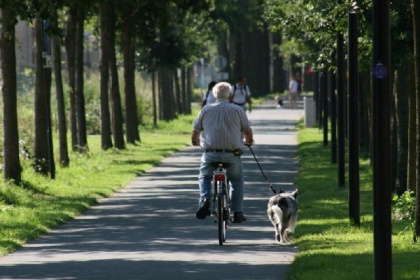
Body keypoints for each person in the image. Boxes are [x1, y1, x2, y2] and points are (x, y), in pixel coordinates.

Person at [191, 81, 254, 223]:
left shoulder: (206, 110)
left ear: (214, 95)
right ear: (230, 95)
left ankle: (205, 199)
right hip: (232, 154)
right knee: (236, 181)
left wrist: (195, 141)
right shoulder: (238, 110)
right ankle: (237, 212)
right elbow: (247, 131)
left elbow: (196, 131)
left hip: (210, 154)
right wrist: (248, 141)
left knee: (205, 176)